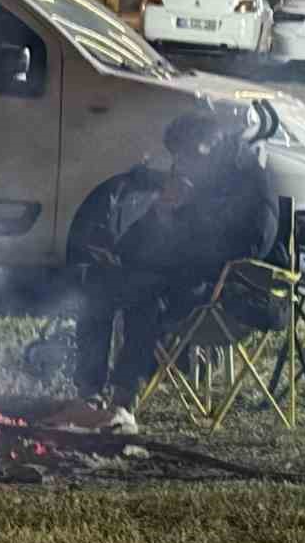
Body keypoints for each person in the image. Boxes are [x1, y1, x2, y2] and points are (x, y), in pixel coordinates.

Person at [71, 110, 279, 415]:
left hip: (228, 289)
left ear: (205, 150)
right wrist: (157, 218)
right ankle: (89, 393)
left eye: (184, 158)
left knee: (146, 297)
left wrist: (186, 238)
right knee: (98, 285)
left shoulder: (251, 182)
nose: (179, 167)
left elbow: (252, 247)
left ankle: (122, 397)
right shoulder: (200, 179)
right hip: (175, 277)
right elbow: (152, 242)